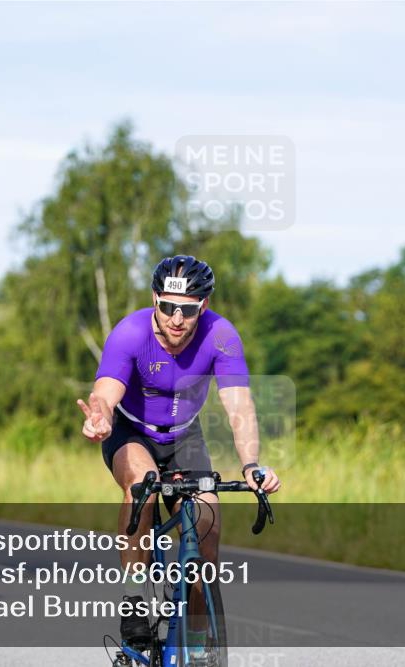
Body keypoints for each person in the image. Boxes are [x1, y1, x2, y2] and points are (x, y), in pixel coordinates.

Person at [77, 255, 281, 650]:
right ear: (155, 299)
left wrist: (251, 465)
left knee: (208, 523)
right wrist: (98, 418)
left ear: (202, 306)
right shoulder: (130, 333)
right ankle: (135, 599)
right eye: (167, 306)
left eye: (187, 310)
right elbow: (104, 393)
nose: (175, 318)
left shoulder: (221, 335)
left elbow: (239, 407)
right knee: (142, 486)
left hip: (186, 436)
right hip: (131, 431)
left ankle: (198, 636)